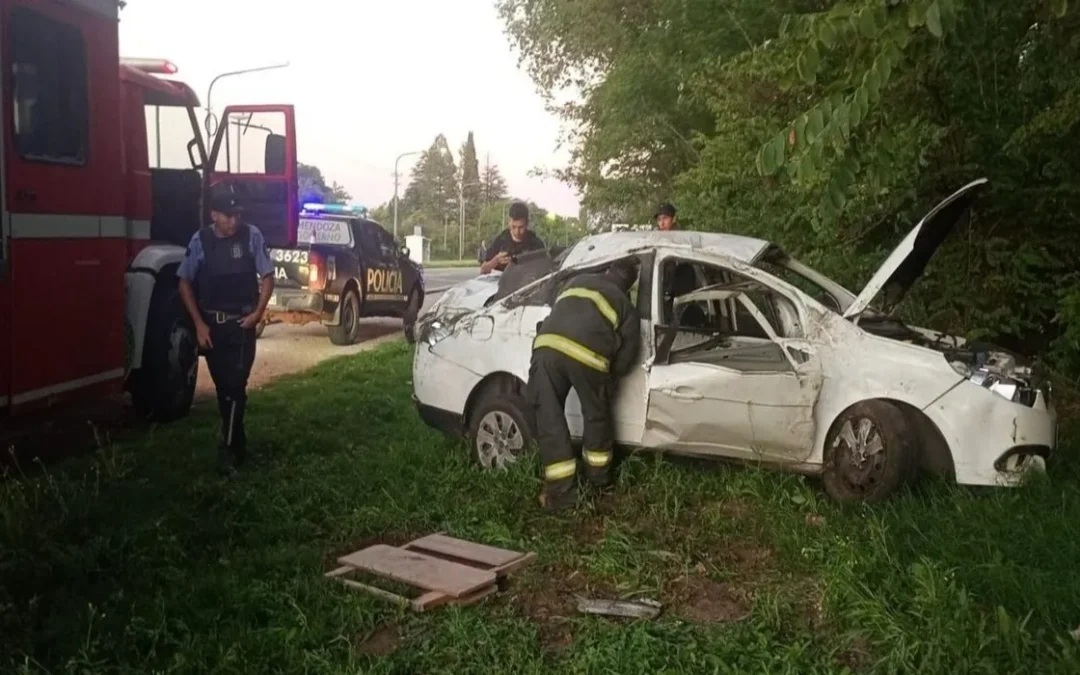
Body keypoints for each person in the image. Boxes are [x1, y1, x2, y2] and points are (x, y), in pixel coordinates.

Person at [528, 259, 641, 511]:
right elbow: (627, 358)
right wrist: (609, 375)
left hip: (546, 349)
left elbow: (554, 307)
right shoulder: (624, 304)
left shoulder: (576, 281)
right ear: (628, 285)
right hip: (588, 357)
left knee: (549, 418)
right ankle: (598, 483)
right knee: (596, 416)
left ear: (607, 271)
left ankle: (561, 494)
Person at [177, 193, 275, 473]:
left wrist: (257, 313)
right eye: (228, 215)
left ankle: (228, 451)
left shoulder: (251, 236)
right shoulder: (201, 241)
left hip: (242, 324)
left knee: (236, 385)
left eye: (237, 215)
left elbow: (267, 277)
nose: (234, 221)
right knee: (225, 390)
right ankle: (238, 441)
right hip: (212, 326)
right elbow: (184, 281)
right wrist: (198, 323)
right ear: (214, 216)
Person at [480, 201, 546, 274]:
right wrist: (495, 261)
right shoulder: (501, 240)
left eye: (521, 227)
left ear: (527, 223)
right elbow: (483, 270)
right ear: (509, 222)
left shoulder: (536, 244)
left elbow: (545, 272)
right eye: (513, 227)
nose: (517, 232)